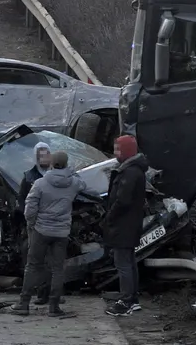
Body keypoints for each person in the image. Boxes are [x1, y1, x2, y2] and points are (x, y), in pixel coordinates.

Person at [10, 149, 86, 317]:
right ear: (66, 164)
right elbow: (83, 184)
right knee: (58, 269)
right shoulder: (73, 183)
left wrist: (31, 225)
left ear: (52, 164)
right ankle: (54, 307)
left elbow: (30, 207)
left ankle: (23, 304)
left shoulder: (40, 183)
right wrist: (70, 171)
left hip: (41, 231)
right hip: (61, 233)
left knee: (32, 266)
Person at [103, 134, 147, 315]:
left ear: (127, 151)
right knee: (129, 262)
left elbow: (122, 200)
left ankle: (126, 301)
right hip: (131, 224)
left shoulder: (129, 172)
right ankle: (132, 298)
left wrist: (109, 217)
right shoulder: (135, 170)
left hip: (123, 225)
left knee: (122, 263)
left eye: (118, 149)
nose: (115, 153)